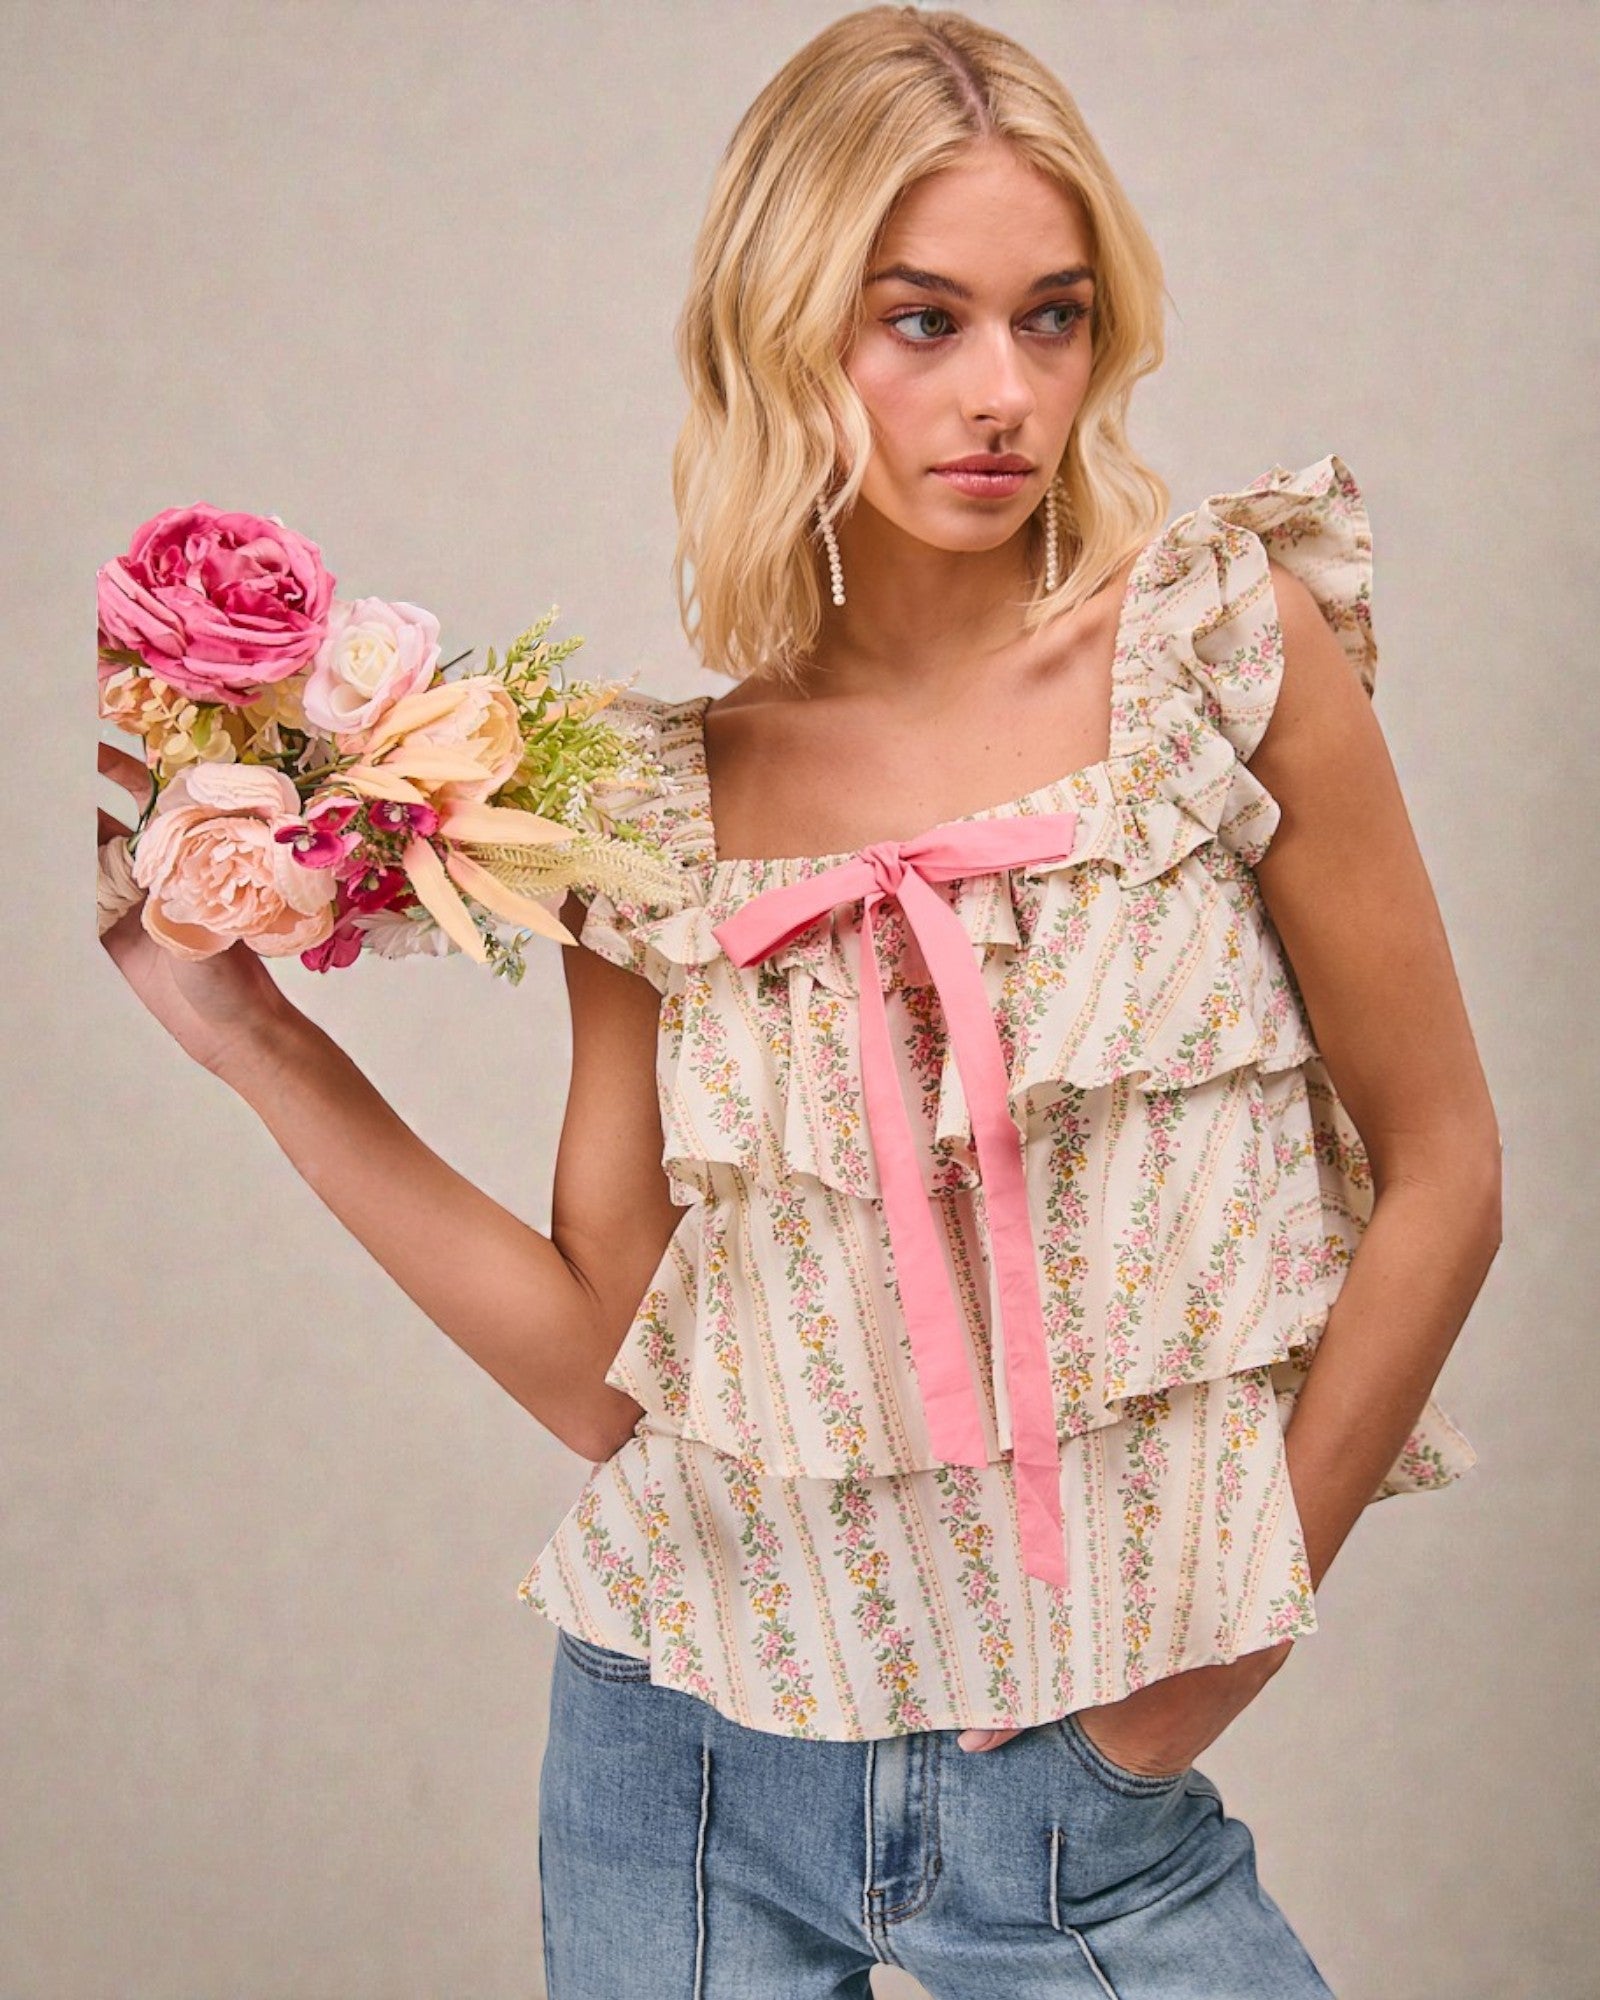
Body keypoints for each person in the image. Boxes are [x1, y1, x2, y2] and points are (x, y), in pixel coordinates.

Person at [98, 8, 1502, 1995]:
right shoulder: (650, 805)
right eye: (921, 321)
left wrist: (1218, 1645)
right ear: (778, 334)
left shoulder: (1219, 653)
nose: (1001, 393)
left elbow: (1446, 1167)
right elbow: (604, 1371)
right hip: (679, 1760)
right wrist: (254, 1038)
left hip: (1076, 1784)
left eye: (1052, 317)